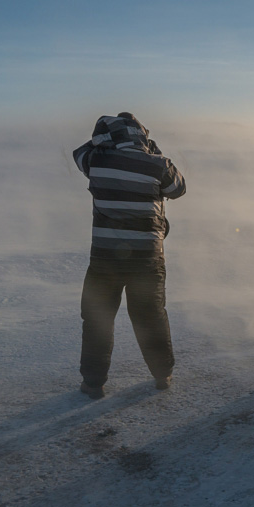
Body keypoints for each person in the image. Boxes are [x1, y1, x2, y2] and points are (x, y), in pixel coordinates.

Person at [72, 113, 186, 398]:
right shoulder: (158, 164)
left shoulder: (96, 160)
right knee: (151, 316)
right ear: (141, 136)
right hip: (147, 258)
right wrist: (152, 151)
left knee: (97, 318)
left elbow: (80, 153)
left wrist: (103, 141)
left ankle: (93, 383)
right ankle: (163, 375)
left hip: (104, 259)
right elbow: (178, 189)